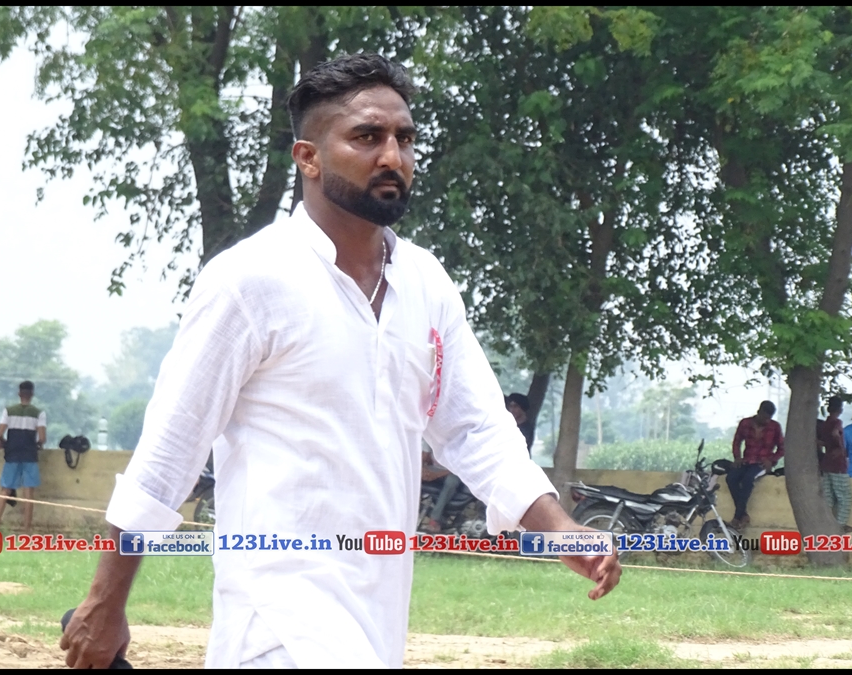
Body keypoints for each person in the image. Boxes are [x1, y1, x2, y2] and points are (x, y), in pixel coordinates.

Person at [60, 54, 620, 670]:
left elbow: (476, 429)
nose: (393, 157)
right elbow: (171, 448)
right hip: (275, 619)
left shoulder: (426, 283)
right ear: (308, 157)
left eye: (404, 139)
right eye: (367, 137)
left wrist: (557, 527)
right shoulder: (250, 281)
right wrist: (105, 602)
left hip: (377, 616)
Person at [0, 381, 46, 531]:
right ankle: (26, 529)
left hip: (12, 453)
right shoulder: (39, 413)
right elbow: (42, 438)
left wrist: (6, 443)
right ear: (32, 394)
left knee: (5, 489)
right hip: (30, 454)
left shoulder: (9, 411)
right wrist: (37, 444)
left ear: (19, 393)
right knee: (28, 493)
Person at [727, 400, 784, 530]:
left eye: (769, 418)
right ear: (759, 412)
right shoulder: (745, 423)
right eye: (765, 417)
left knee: (748, 480)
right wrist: (737, 457)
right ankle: (743, 515)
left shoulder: (775, 426)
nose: (767, 420)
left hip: (762, 464)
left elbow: (782, 448)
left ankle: (737, 517)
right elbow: (737, 441)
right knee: (731, 478)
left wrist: (771, 460)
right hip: (746, 460)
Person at [816, 396, 852, 530]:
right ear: (840, 409)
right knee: (845, 497)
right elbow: (835, 433)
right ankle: (839, 525)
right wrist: (840, 447)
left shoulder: (825, 424)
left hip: (827, 463)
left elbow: (822, 441)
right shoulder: (837, 422)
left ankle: (826, 524)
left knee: (829, 497)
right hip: (837, 464)